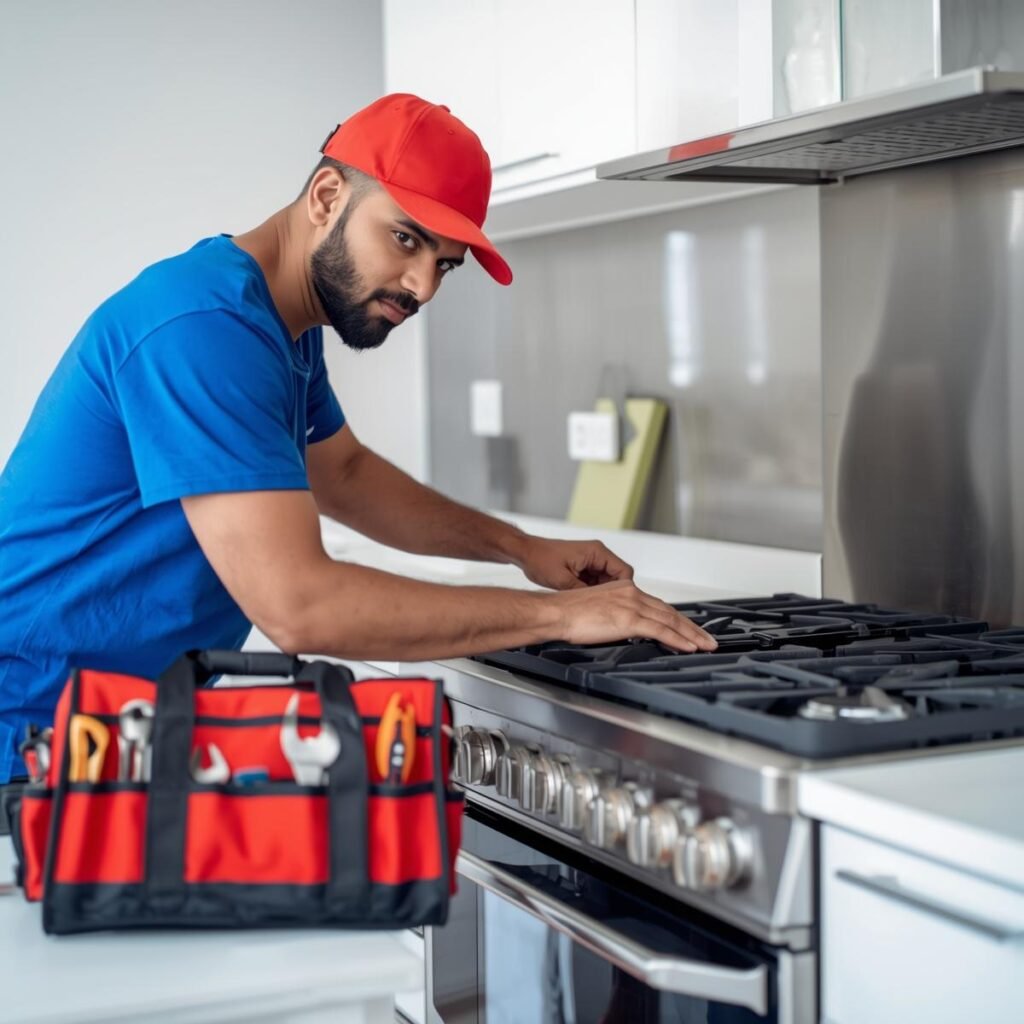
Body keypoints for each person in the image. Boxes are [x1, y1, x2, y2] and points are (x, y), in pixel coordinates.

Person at [0, 94, 715, 783]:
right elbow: (297, 606)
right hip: (26, 738)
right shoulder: (203, 328)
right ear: (326, 197)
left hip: (100, 736)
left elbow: (341, 473)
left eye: (444, 264)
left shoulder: (280, 329)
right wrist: (557, 617)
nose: (423, 286)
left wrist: (523, 550)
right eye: (406, 239)